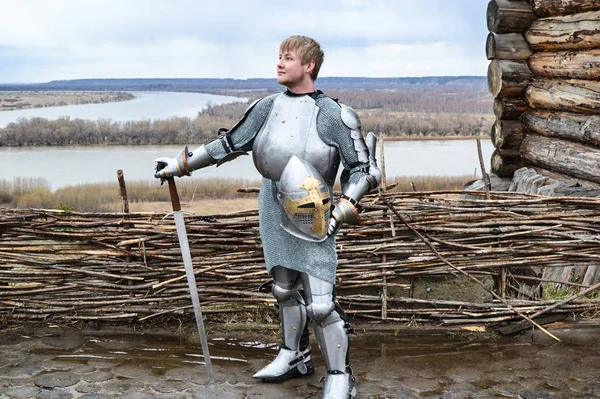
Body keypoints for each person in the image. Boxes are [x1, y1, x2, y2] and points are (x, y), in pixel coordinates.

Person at [154, 35, 381, 399]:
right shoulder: (266, 107)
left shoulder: (334, 115)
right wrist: (180, 165)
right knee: (284, 290)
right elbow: (228, 145)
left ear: (308, 66)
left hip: (315, 209)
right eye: (278, 56)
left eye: (287, 58)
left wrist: (342, 208)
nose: (278, 63)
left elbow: (363, 170)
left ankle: (340, 375)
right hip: (272, 201)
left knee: (321, 304)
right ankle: (294, 355)